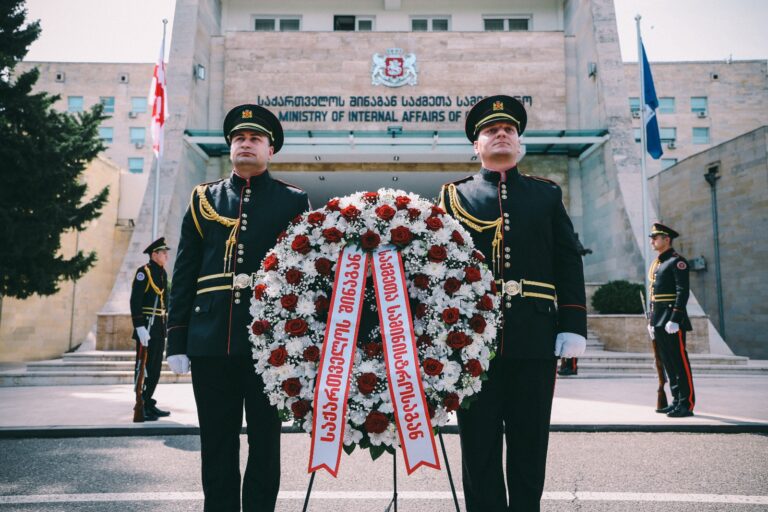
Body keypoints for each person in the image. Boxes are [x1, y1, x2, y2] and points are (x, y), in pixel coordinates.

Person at [438, 95, 587, 512]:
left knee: (529, 441)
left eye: (508, 130)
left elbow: (567, 259)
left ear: (519, 143)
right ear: (476, 144)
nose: (500, 134)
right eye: (491, 130)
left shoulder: (546, 195)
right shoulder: (454, 197)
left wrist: (573, 325)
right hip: (471, 343)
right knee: (479, 446)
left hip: (534, 334)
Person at [165, 104, 311, 511]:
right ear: (231, 147)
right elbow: (185, 271)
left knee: (266, 443)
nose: (246, 144)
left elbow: (304, 276)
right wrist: (176, 339)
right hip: (211, 341)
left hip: (272, 349)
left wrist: (303, 342)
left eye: (255, 139)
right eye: (239, 139)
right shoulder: (204, 199)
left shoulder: (292, 202)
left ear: (270, 150)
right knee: (217, 443)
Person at [647, 222, 695, 418]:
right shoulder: (659, 263)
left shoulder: (677, 262)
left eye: (655, 237)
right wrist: (652, 321)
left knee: (680, 362)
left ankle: (686, 403)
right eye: (652, 238)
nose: (652, 240)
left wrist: (675, 318)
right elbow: (653, 295)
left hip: (671, 319)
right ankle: (676, 400)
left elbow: (682, 292)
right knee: (668, 363)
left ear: (667, 239)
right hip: (659, 318)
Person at [129, 237, 170, 421]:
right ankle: (141, 403)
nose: (166, 255)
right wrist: (139, 327)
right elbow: (135, 301)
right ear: (154, 255)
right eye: (163, 253)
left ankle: (148, 401)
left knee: (155, 367)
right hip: (146, 324)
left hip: (158, 326)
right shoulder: (143, 272)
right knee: (143, 367)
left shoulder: (162, 273)